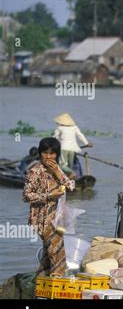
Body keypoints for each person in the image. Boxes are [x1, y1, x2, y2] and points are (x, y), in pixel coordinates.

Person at [23, 137, 75, 276]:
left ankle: (42, 280)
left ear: (57, 154)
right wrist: (49, 196)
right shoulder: (35, 171)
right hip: (42, 218)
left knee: (50, 250)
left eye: (52, 153)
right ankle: (58, 278)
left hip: (57, 216)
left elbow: (71, 186)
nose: (48, 156)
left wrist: (58, 172)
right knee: (56, 249)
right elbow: (26, 195)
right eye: (45, 153)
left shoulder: (57, 169)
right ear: (40, 153)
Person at [53, 113, 93, 179]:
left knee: (62, 164)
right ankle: (70, 178)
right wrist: (87, 143)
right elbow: (80, 135)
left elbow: (54, 138)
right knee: (69, 165)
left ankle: (71, 174)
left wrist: (51, 145)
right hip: (72, 149)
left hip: (63, 148)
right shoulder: (74, 127)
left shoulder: (60, 128)